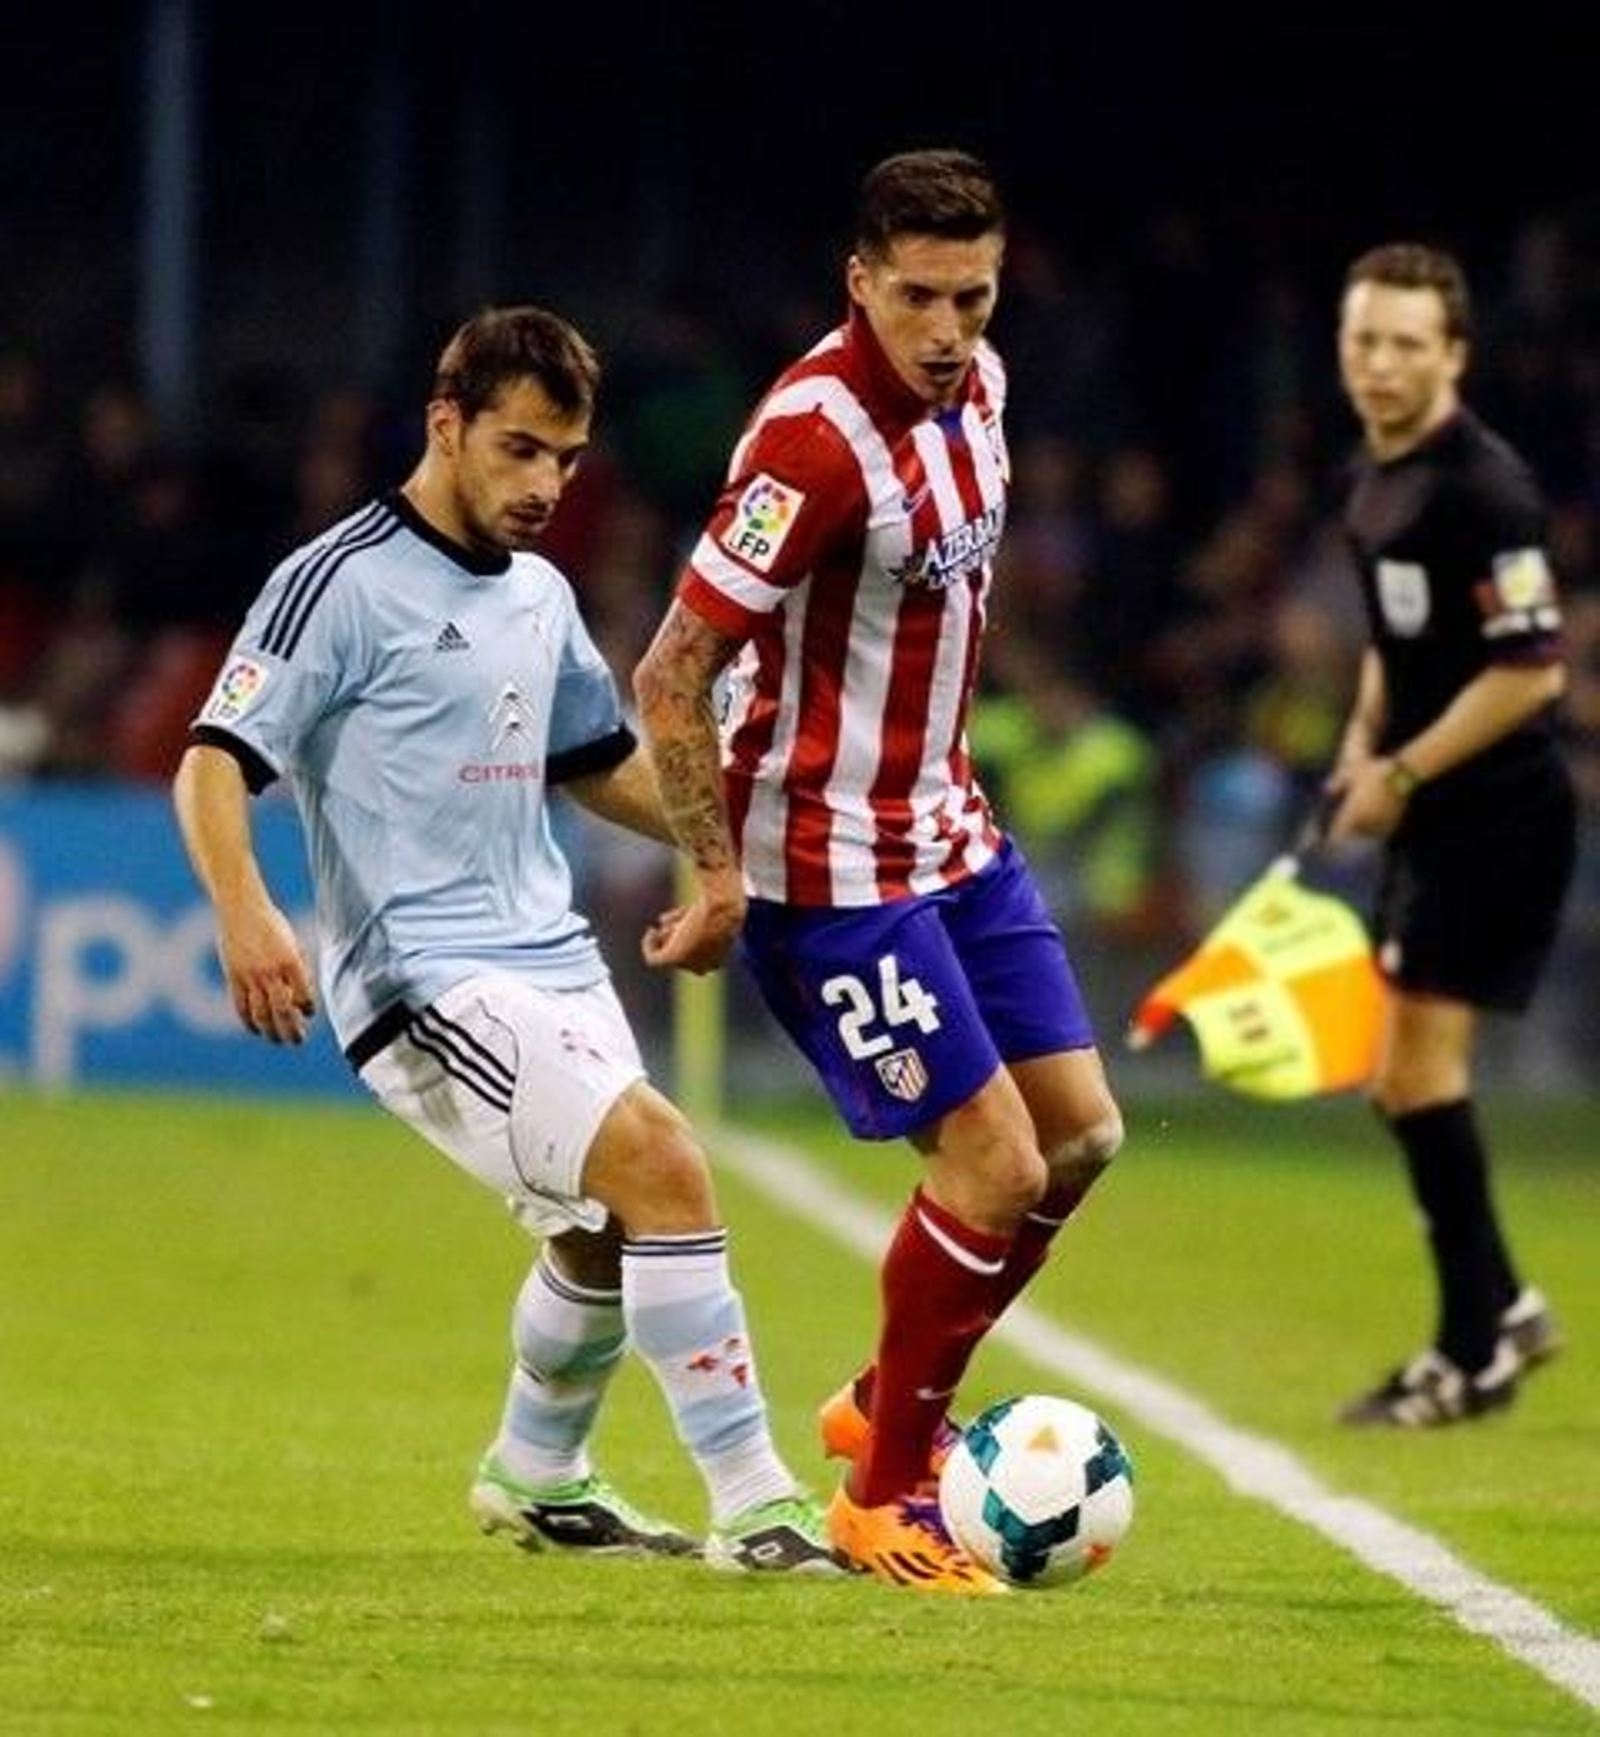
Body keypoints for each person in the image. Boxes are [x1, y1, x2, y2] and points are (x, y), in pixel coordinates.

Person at [173, 305, 842, 1573]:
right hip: (420, 980)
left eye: (567, 460)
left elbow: (594, 766)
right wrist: (247, 910)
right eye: (521, 450)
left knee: (599, 1222)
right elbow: (212, 760)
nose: (545, 486)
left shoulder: (539, 593)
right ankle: (757, 1504)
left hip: (549, 959)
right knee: (664, 1167)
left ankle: (537, 1474)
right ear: (447, 424)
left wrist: (729, 822)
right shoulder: (340, 584)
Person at [631, 149, 1123, 1594]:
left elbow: (955, 599)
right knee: (994, 1163)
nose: (948, 327)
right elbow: (673, 672)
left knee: (1082, 1140)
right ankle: (887, 1490)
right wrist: (717, 878)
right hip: (829, 869)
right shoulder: (813, 441)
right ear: (860, 280)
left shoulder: (988, 387)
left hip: (953, 835)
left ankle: (883, 1395)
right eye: (916, 296)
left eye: (972, 294)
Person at [1326, 243, 1575, 1427]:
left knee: (1416, 1075)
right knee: (1399, 1085)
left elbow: (1529, 674)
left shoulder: (1487, 489)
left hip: (1499, 815)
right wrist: (1358, 746)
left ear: (1454, 356)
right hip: (1430, 814)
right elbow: (1394, 639)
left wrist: (1405, 770)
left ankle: (1469, 1352)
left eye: (1406, 344)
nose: (1379, 364)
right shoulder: (1371, 480)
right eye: (1364, 339)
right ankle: (1500, 1306)